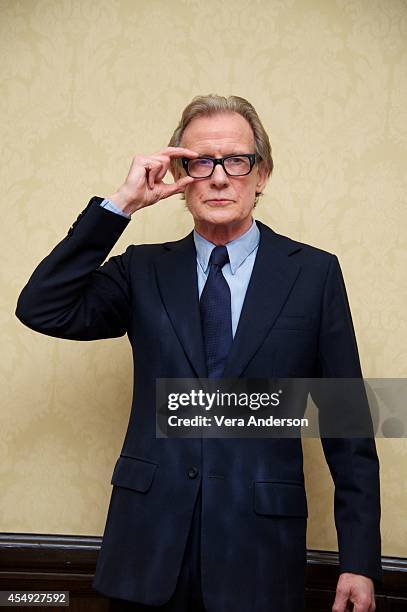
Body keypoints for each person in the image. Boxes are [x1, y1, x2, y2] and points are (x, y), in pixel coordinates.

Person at [15, 95, 381, 612]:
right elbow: (42, 308)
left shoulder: (313, 274)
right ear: (181, 175)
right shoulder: (141, 271)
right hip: (148, 548)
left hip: (259, 549)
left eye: (237, 160)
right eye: (200, 162)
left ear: (262, 174)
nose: (219, 177)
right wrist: (122, 204)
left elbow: (348, 426)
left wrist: (359, 562)